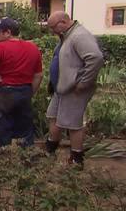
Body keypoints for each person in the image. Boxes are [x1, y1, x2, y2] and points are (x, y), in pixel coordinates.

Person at [44, 11, 104, 167]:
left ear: (63, 22)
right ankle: (50, 150)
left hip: (74, 88)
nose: (52, 31)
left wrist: (83, 82)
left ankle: (77, 159)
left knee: (72, 123)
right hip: (62, 87)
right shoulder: (67, 36)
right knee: (53, 116)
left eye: (53, 27)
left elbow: (95, 58)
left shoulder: (79, 36)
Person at [0, 17, 43, 148]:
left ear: (7, 32)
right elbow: (39, 75)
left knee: (0, 133)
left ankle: (2, 161)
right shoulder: (32, 48)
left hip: (3, 93)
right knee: (24, 134)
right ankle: (26, 162)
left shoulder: (0, 47)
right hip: (24, 92)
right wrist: (30, 92)